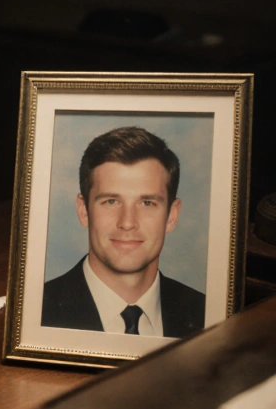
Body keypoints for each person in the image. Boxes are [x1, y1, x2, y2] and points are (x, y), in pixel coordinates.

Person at [41, 126, 204, 337]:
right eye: (111, 201)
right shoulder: (38, 313)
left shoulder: (206, 316)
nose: (127, 222)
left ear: (171, 216)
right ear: (84, 211)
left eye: (147, 203)